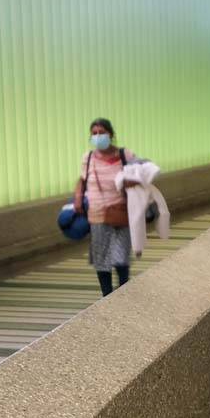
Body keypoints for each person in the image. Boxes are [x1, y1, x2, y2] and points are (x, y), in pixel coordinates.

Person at [72, 118, 139, 296]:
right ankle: (107, 296)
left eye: (102, 132)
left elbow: (139, 180)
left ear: (111, 134)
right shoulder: (88, 158)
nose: (98, 136)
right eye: (94, 134)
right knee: (102, 258)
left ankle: (124, 291)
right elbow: (83, 179)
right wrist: (78, 198)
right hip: (97, 214)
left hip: (120, 212)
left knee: (121, 256)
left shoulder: (126, 155)